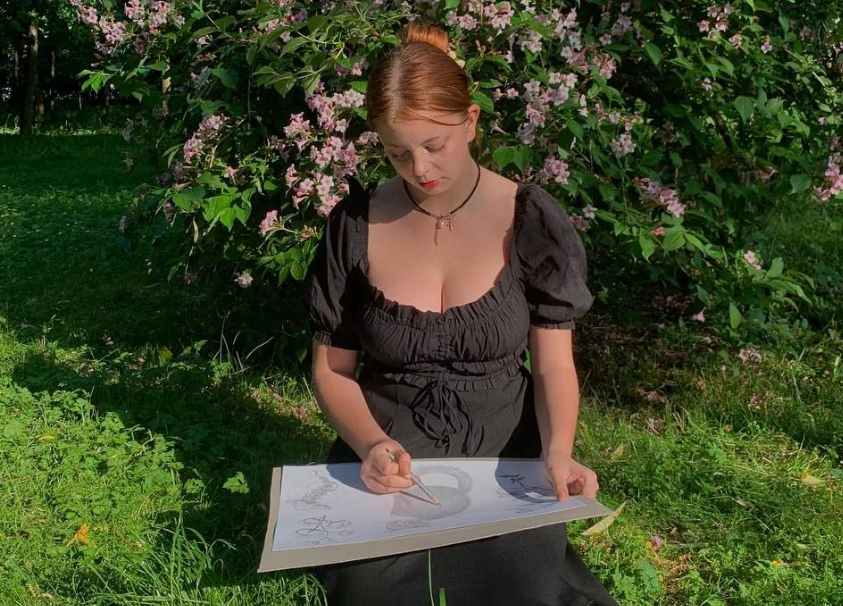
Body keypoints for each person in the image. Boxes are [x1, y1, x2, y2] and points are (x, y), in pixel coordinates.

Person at [303, 21, 619, 606]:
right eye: (397, 152)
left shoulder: (527, 217)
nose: (419, 167)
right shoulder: (355, 225)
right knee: (370, 592)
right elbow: (331, 369)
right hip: (391, 444)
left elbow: (553, 364)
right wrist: (370, 445)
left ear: (470, 121)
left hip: (505, 446)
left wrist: (557, 450)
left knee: (518, 587)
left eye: (435, 145)